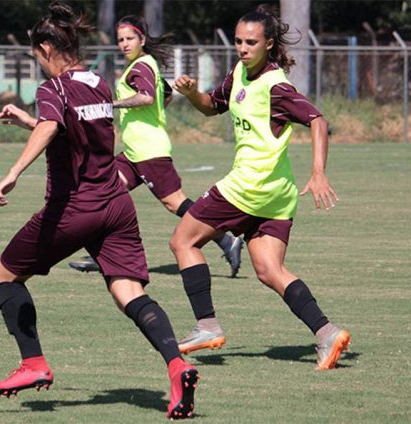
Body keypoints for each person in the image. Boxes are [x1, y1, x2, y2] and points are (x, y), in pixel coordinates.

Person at [0, 3, 197, 419]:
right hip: (116, 205)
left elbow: (53, 126)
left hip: (75, 208)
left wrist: (12, 172)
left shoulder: (54, 88)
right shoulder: (99, 83)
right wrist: (30, 121)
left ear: (47, 48)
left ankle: (33, 363)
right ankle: (177, 365)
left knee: (5, 275)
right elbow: (74, 130)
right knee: (129, 293)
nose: (37, 63)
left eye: (36, 54)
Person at [170, 5, 351, 368]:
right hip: (276, 194)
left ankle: (206, 325)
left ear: (269, 44)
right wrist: (192, 95)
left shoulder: (275, 85)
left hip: (247, 187)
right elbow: (211, 106)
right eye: (238, 41)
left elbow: (317, 119)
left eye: (250, 42)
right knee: (270, 270)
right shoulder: (239, 72)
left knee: (182, 241)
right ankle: (327, 333)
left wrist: (318, 172)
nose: (242, 48)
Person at [68, 15, 244, 277]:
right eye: (120, 40)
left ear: (142, 40)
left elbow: (148, 97)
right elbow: (166, 95)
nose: (124, 44)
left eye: (130, 38)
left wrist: (110, 105)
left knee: (176, 204)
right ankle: (105, 255)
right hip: (134, 152)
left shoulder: (140, 66)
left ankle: (225, 239)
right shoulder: (143, 65)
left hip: (149, 152)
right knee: (103, 193)